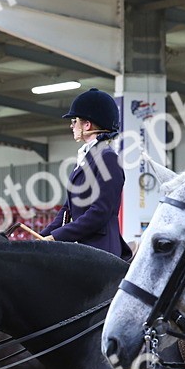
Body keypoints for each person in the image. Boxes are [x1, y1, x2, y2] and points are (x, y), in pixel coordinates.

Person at [41, 88, 131, 260]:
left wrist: (57, 236)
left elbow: (100, 212)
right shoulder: (86, 158)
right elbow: (67, 210)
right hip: (80, 246)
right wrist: (41, 236)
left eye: (75, 121)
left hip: (100, 251)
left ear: (87, 125)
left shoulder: (108, 159)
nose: (72, 126)